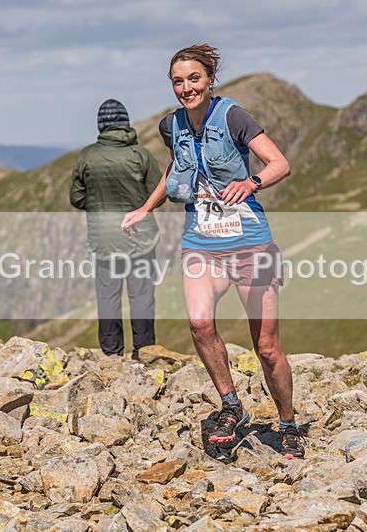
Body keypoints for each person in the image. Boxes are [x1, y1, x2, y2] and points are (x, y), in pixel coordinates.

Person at [121, 44, 304, 459]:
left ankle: (288, 423)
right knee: (200, 325)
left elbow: (280, 163)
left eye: (194, 79)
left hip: (249, 241)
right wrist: (146, 208)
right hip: (201, 242)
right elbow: (176, 168)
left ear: (210, 80)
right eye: (178, 81)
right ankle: (231, 406)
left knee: (266, 346)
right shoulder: (171, 125)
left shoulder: (233, 116)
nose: (187, 88)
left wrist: (251, 183)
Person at [70, 99, 161, 359]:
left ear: (101, 124)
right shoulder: (140, 155)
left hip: (104, 239)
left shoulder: (86, 156)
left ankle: (111, 356)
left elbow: (76, 198)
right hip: (140, 238)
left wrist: (98, 205)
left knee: (108, 296)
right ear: (125, 122)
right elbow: (157, 193)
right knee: (141, 295)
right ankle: (144, 353)